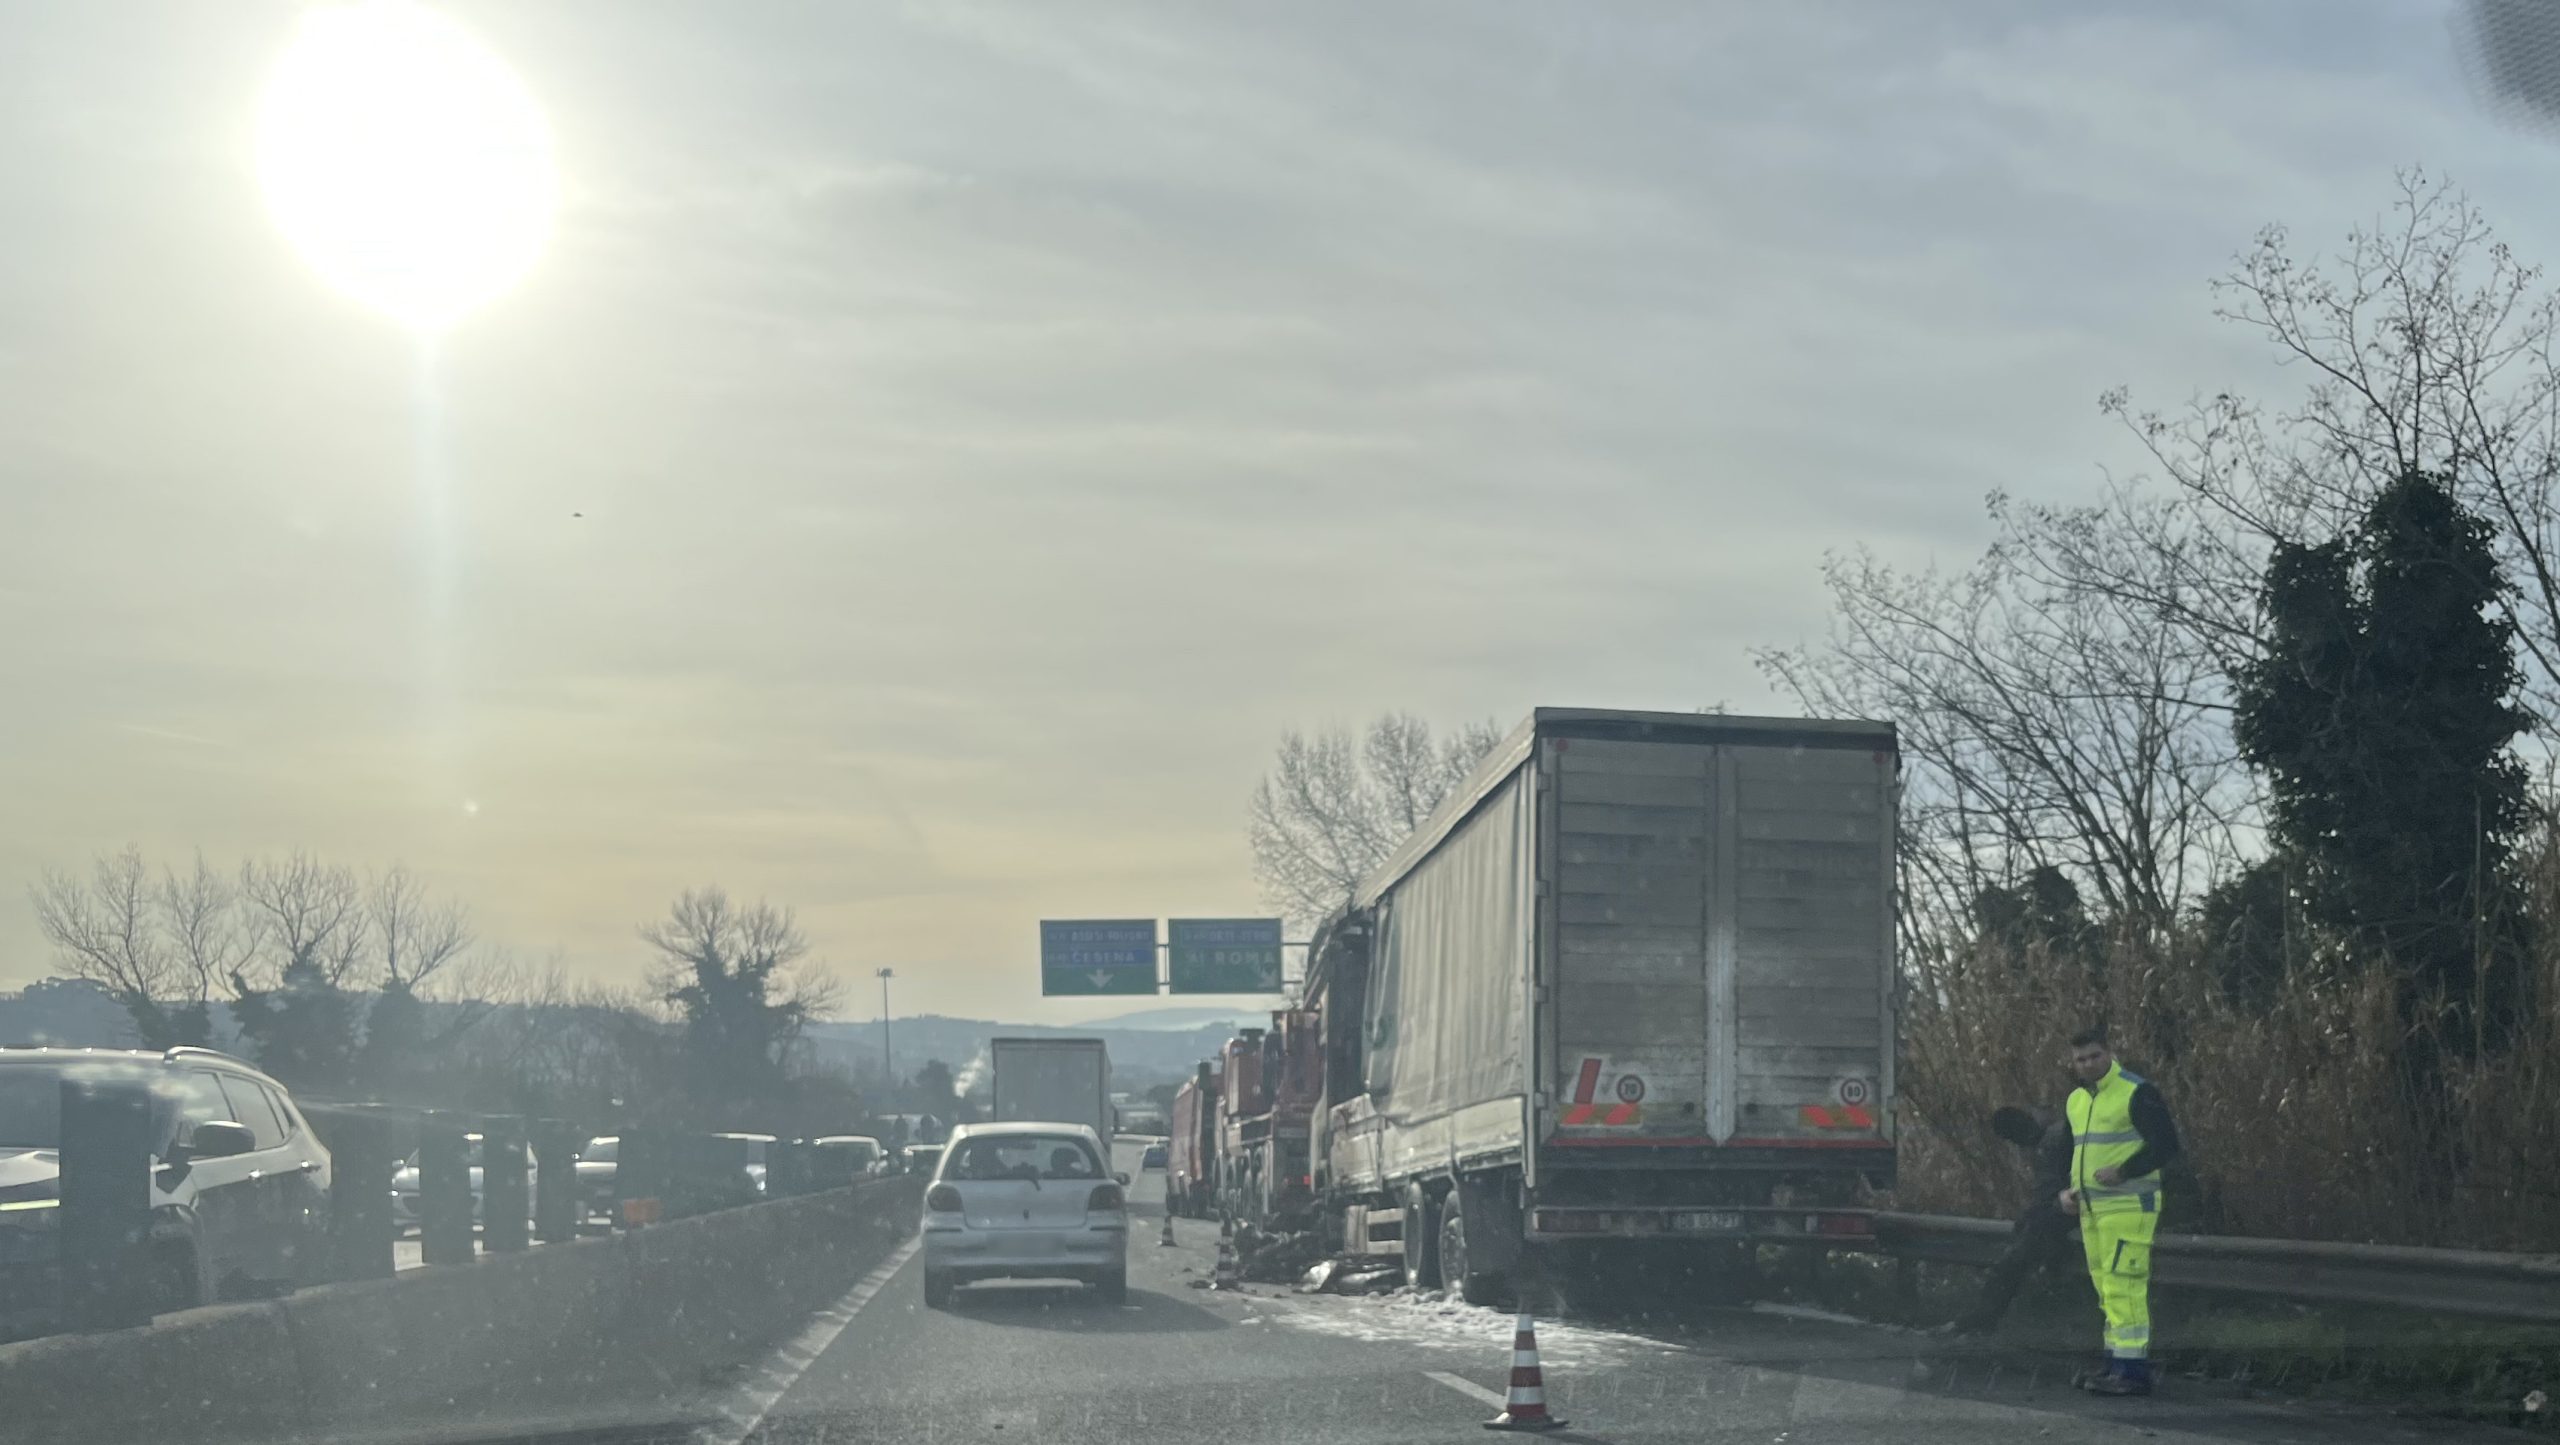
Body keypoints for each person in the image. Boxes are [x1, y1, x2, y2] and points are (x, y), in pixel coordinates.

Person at [2061, 1026, 2182, 1397]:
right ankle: (2116, 1363)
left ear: (2110, 1053)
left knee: (2124, 1284)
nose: (2088, 1064)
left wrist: (2125, 1172)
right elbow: (2078, 1153)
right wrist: (2068, 1191)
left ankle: (2132, 1371)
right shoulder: (2077, 1101)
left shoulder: (2137, 1092)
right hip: (2093, 1208)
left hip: (2129, 1204)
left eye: (2095, 1056)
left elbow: (2166, 1146)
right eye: (2081, 1059)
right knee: (2106, 1286)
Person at [1934, 1104, 2076, 1335]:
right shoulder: (2053, 1131)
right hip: (2069, 1209)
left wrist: (2033, 1215)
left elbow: (2051, 1192)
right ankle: (1985, 1317)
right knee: (2024, 1248)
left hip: (2072, 1209)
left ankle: (1984, 1318)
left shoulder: (2050, 1143)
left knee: (2013, 1262)